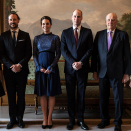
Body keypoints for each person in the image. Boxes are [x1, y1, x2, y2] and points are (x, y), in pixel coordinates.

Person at [91, 13, 130, 131]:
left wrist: (127, 73)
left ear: (116, 21)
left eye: (113, 20)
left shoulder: (123, 35)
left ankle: (118, 122)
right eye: (108, 20)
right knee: (103, 97)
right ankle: (105, 120)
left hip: (118, 73)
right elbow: (94, 55)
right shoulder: (99, 34)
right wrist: (94, 70)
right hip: (102, 72)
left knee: (118, 98)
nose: (110, 22)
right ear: (105, 21)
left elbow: (128, 56)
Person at [61, 9, 93, 130]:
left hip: (82, 69)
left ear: (81, 18)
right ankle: (71, 121)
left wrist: (81, 62)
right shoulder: (65, 32)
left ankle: (81, 120)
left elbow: (90, 49)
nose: (76, 18)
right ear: (72, 17)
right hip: (70, 70)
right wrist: (73, 63)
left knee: (81, 95)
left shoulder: (88, 32)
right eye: (74, 16)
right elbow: (64, 50)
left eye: (78, 16)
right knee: (70, 95)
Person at [0, 12, 32, 129]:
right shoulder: (3, 36)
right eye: (10, 20)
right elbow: (2, 54)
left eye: (14, 19)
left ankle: (20, 119)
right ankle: (12, 119)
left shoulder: (25, 35)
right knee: (11, 96)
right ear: (8, 21)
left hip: (22, 71)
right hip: (9, 72)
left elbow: (29, 53)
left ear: (18, 20)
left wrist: (19, 65)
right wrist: (11, 65)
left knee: (21, 96)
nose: (12, 22)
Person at [33, 16, 62, 129]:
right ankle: (44, 118)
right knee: (43, 94)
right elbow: (34, 54)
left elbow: (58, 54)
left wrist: (51, 67)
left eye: (47, 23)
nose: (45, 25)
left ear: (50, 24)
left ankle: (50, 118)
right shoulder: (37, 38)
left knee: (51, 93)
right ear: (41, 25)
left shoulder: (55, 37)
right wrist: (39, 66)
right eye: (43, 24)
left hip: (52, 69)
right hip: (40, 70)